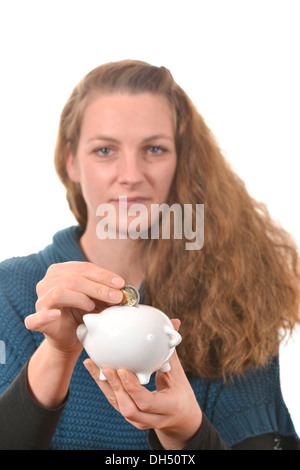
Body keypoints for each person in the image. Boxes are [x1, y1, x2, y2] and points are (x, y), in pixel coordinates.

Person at [0, 60, 299, 450]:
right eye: (105, 150)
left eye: (154, 149)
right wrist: (57, 353)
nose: (131, 174)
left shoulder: (233, 299)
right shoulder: (10, 292)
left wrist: (186, 432)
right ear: (71, 161)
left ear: (181, 161)